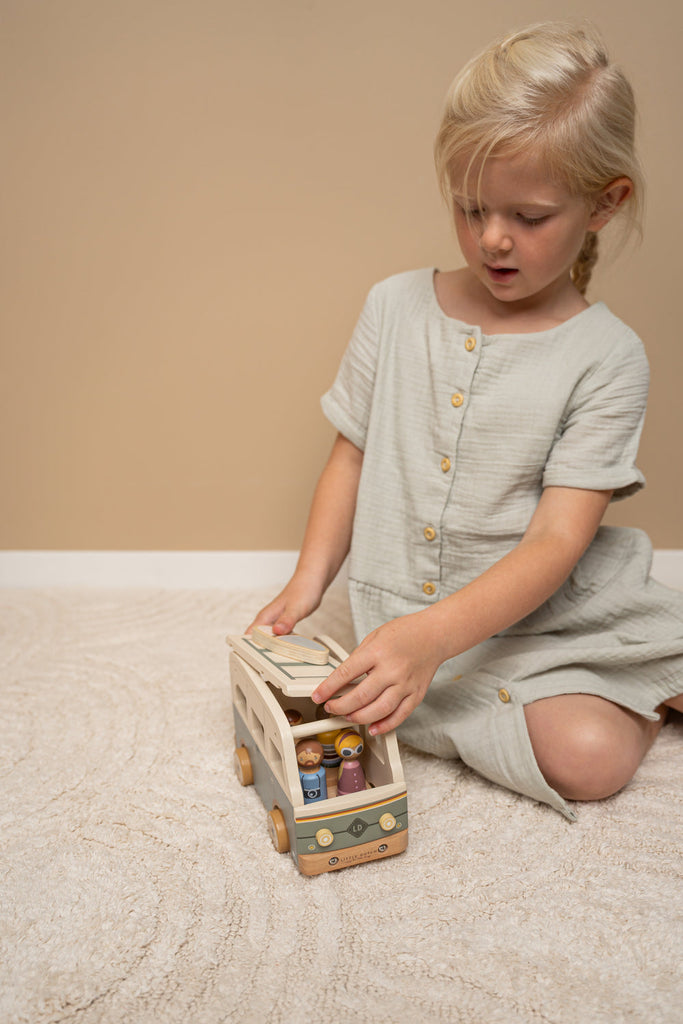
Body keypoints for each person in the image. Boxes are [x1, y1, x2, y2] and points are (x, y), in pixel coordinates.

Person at [248, 21, 683, 820]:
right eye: (469, 207)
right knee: (359, 704)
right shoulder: (394, 305)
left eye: (529, 215)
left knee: (587, 760)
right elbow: (349, 456)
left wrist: (434, 639)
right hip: (410, 624)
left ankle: (643, 679)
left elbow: (556, 542)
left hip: (540, 615)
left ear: (604, 203)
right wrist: (305, 587)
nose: (492, 237)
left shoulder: (608, 356)